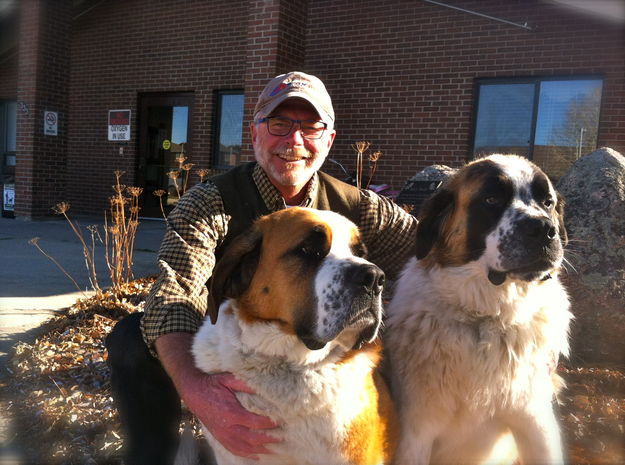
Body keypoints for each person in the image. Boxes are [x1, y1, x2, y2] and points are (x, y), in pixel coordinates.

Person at [106, 71, 418, 465]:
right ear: (254, 134)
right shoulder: (211, 202)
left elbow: (433, 252)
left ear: (329, 140)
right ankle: (156, 455)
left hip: (332, 368)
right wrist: (199, 391)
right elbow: (175, 293)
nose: (294, 140)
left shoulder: (359, 207)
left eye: (311, 127)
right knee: (131, 340)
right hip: (235, 341)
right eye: (279, 124)